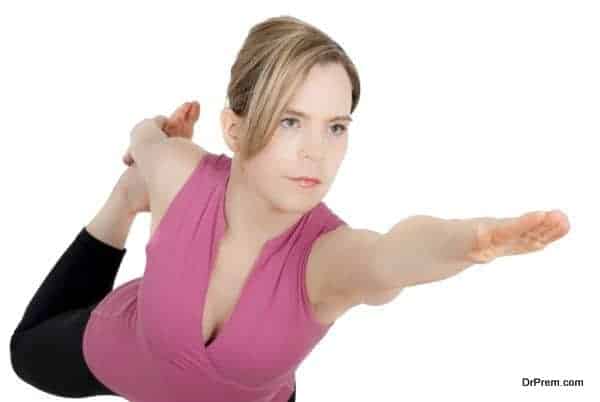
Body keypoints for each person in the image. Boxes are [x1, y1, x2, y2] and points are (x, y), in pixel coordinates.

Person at [10, 15, 570, 402]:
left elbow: (391, 255)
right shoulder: (182, 172)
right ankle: (127, 199)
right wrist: (150, 142)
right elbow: (147, 139)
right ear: (233, 128)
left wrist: (470, 241)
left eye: (336, 127)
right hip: (115, 351)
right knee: (21, 355)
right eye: (289, 120)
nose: (315, 151)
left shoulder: (328, 260)